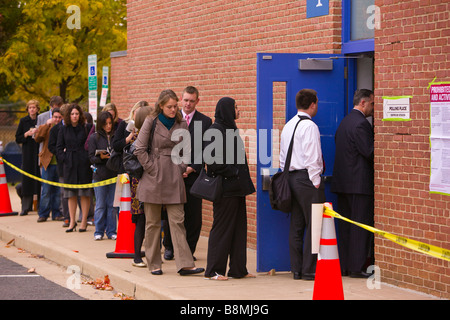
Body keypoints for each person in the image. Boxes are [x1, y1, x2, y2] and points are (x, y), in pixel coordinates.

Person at [134, 89, 204, 276]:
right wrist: (152, 169)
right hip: (153, 176)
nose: (174, 110)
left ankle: (185, 264)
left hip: (174, 176)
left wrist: (180, 167)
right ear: (161, 106)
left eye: (175, 106)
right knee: (153, 223)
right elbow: (139, 149)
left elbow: (187, 150)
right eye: (169, 107)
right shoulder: (151, 121)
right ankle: (154, 264)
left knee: (178, 221)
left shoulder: (181, 122)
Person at [203, 97, 256, 281]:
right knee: (222, 229)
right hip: (225, 189)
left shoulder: (230, 129)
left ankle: (238, 269)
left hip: (237, 188)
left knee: (239, 229)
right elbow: (212, 162)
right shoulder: (214, 131)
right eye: (235, 107)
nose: (238, 109)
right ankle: (213, 271)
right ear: (226, 109)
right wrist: (233, 171)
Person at [279, 89, 325, 280]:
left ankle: (296, 269)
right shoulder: (310, 126)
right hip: (306, 180)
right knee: (315, 225)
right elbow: (312, 157)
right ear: (313, 104)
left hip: (290, 177)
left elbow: (283, 157)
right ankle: (309, 269)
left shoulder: (288, 125)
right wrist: (316, 182)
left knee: (296, 226)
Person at [163, 86, 212, 261]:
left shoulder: (205, 122)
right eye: (185, 100)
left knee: (193, 216)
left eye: (192, 101)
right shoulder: (171, 119)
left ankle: (189, 250)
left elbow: (206, 149)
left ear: (197, 101)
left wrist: (193, 167)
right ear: (180, 100)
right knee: (172, 213)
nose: (188, 104)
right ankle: (169, 247)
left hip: (194, 175)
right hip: (173, 174)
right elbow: (166, 147)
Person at [331, 88, 375, 278]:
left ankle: (346, 267)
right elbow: (369, 152)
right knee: (359, 226)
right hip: (358, 185)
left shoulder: (344, 122)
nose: (374, 108)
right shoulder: (361, 124)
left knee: (347, 228)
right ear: (363, 103)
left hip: (343, 184)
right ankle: (357, 268)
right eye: (372, 103)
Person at [112, 100, 150, 267]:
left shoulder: (151, 130)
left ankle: (151, 252)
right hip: (134, 176)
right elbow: (116, 146)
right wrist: (129, 139)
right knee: (139, 215)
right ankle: (137, 255)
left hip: (151, 177)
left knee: (152, 217)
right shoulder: (126, 126)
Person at [56, 103, 93, 233]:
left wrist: (86, 158)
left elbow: (90, 144)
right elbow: (59, 148)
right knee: (71, 195)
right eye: (72, 114)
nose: (74, 116)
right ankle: (72, 221)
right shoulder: (63, 129)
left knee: (84, 194)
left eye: (77, 113)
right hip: (70, 165)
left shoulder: (86, 128)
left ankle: (83, 222)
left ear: (80, 115)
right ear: (68, 115)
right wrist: (65, 158)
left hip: (83, 165)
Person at [88, 111, 117, 240]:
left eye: (110, 123)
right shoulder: (94, 137)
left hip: (113, 175)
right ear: (101, 124)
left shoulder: (116, 136)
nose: (108, 126)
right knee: (100, 205)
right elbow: (90, 158)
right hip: (100, 175)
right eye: (105, 124)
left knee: (112, 205)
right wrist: (101, 157)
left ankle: (111, 231)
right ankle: (98, 231)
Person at [34, 107, 63, 222]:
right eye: (55, 117)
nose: (57, 119)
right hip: (47, 162)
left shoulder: (63, 128)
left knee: (57, 190)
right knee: (46, 189)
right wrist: (46, 125)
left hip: (59, 163)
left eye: (59, 117)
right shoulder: (46, 127)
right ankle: (43, 213)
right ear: (52, 117)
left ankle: (56, 213)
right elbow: (38, 138)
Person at [15, 99, 41, 216]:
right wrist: (26, 134)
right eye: (30, 108)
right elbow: (18, 138)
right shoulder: (23, 121)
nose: (32, 109)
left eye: (34, 107)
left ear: (37, 109)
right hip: (27, 153)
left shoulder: (40, 120)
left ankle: (41, 206)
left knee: (39, 179)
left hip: (39, 151)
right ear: (27, 109)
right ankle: (26, 207)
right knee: (26, 180)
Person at [48, 104, 70, 227]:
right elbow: (51, 146)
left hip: (76, 165)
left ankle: (85, 216)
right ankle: (66, 216)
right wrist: (61, 154)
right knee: (64, 192)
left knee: (80, 192)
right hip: (62, 164)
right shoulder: (55, 130)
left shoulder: (76, 128)